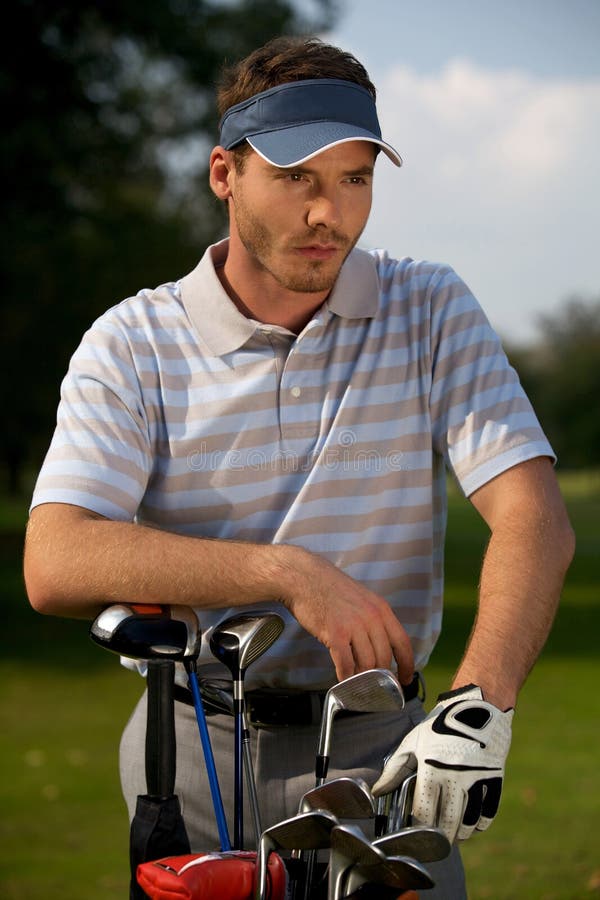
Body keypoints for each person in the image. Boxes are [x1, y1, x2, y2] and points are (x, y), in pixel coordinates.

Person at [24, 36, 574, 898]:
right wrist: (285, 575)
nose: (331, 215)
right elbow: (55, 560)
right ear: (224, 176)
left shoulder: (429, 308)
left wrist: (477, 704)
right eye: (298, 178)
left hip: (383, 754)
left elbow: (535, 519)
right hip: (194, 748)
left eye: (354, 179)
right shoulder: (133, 342)